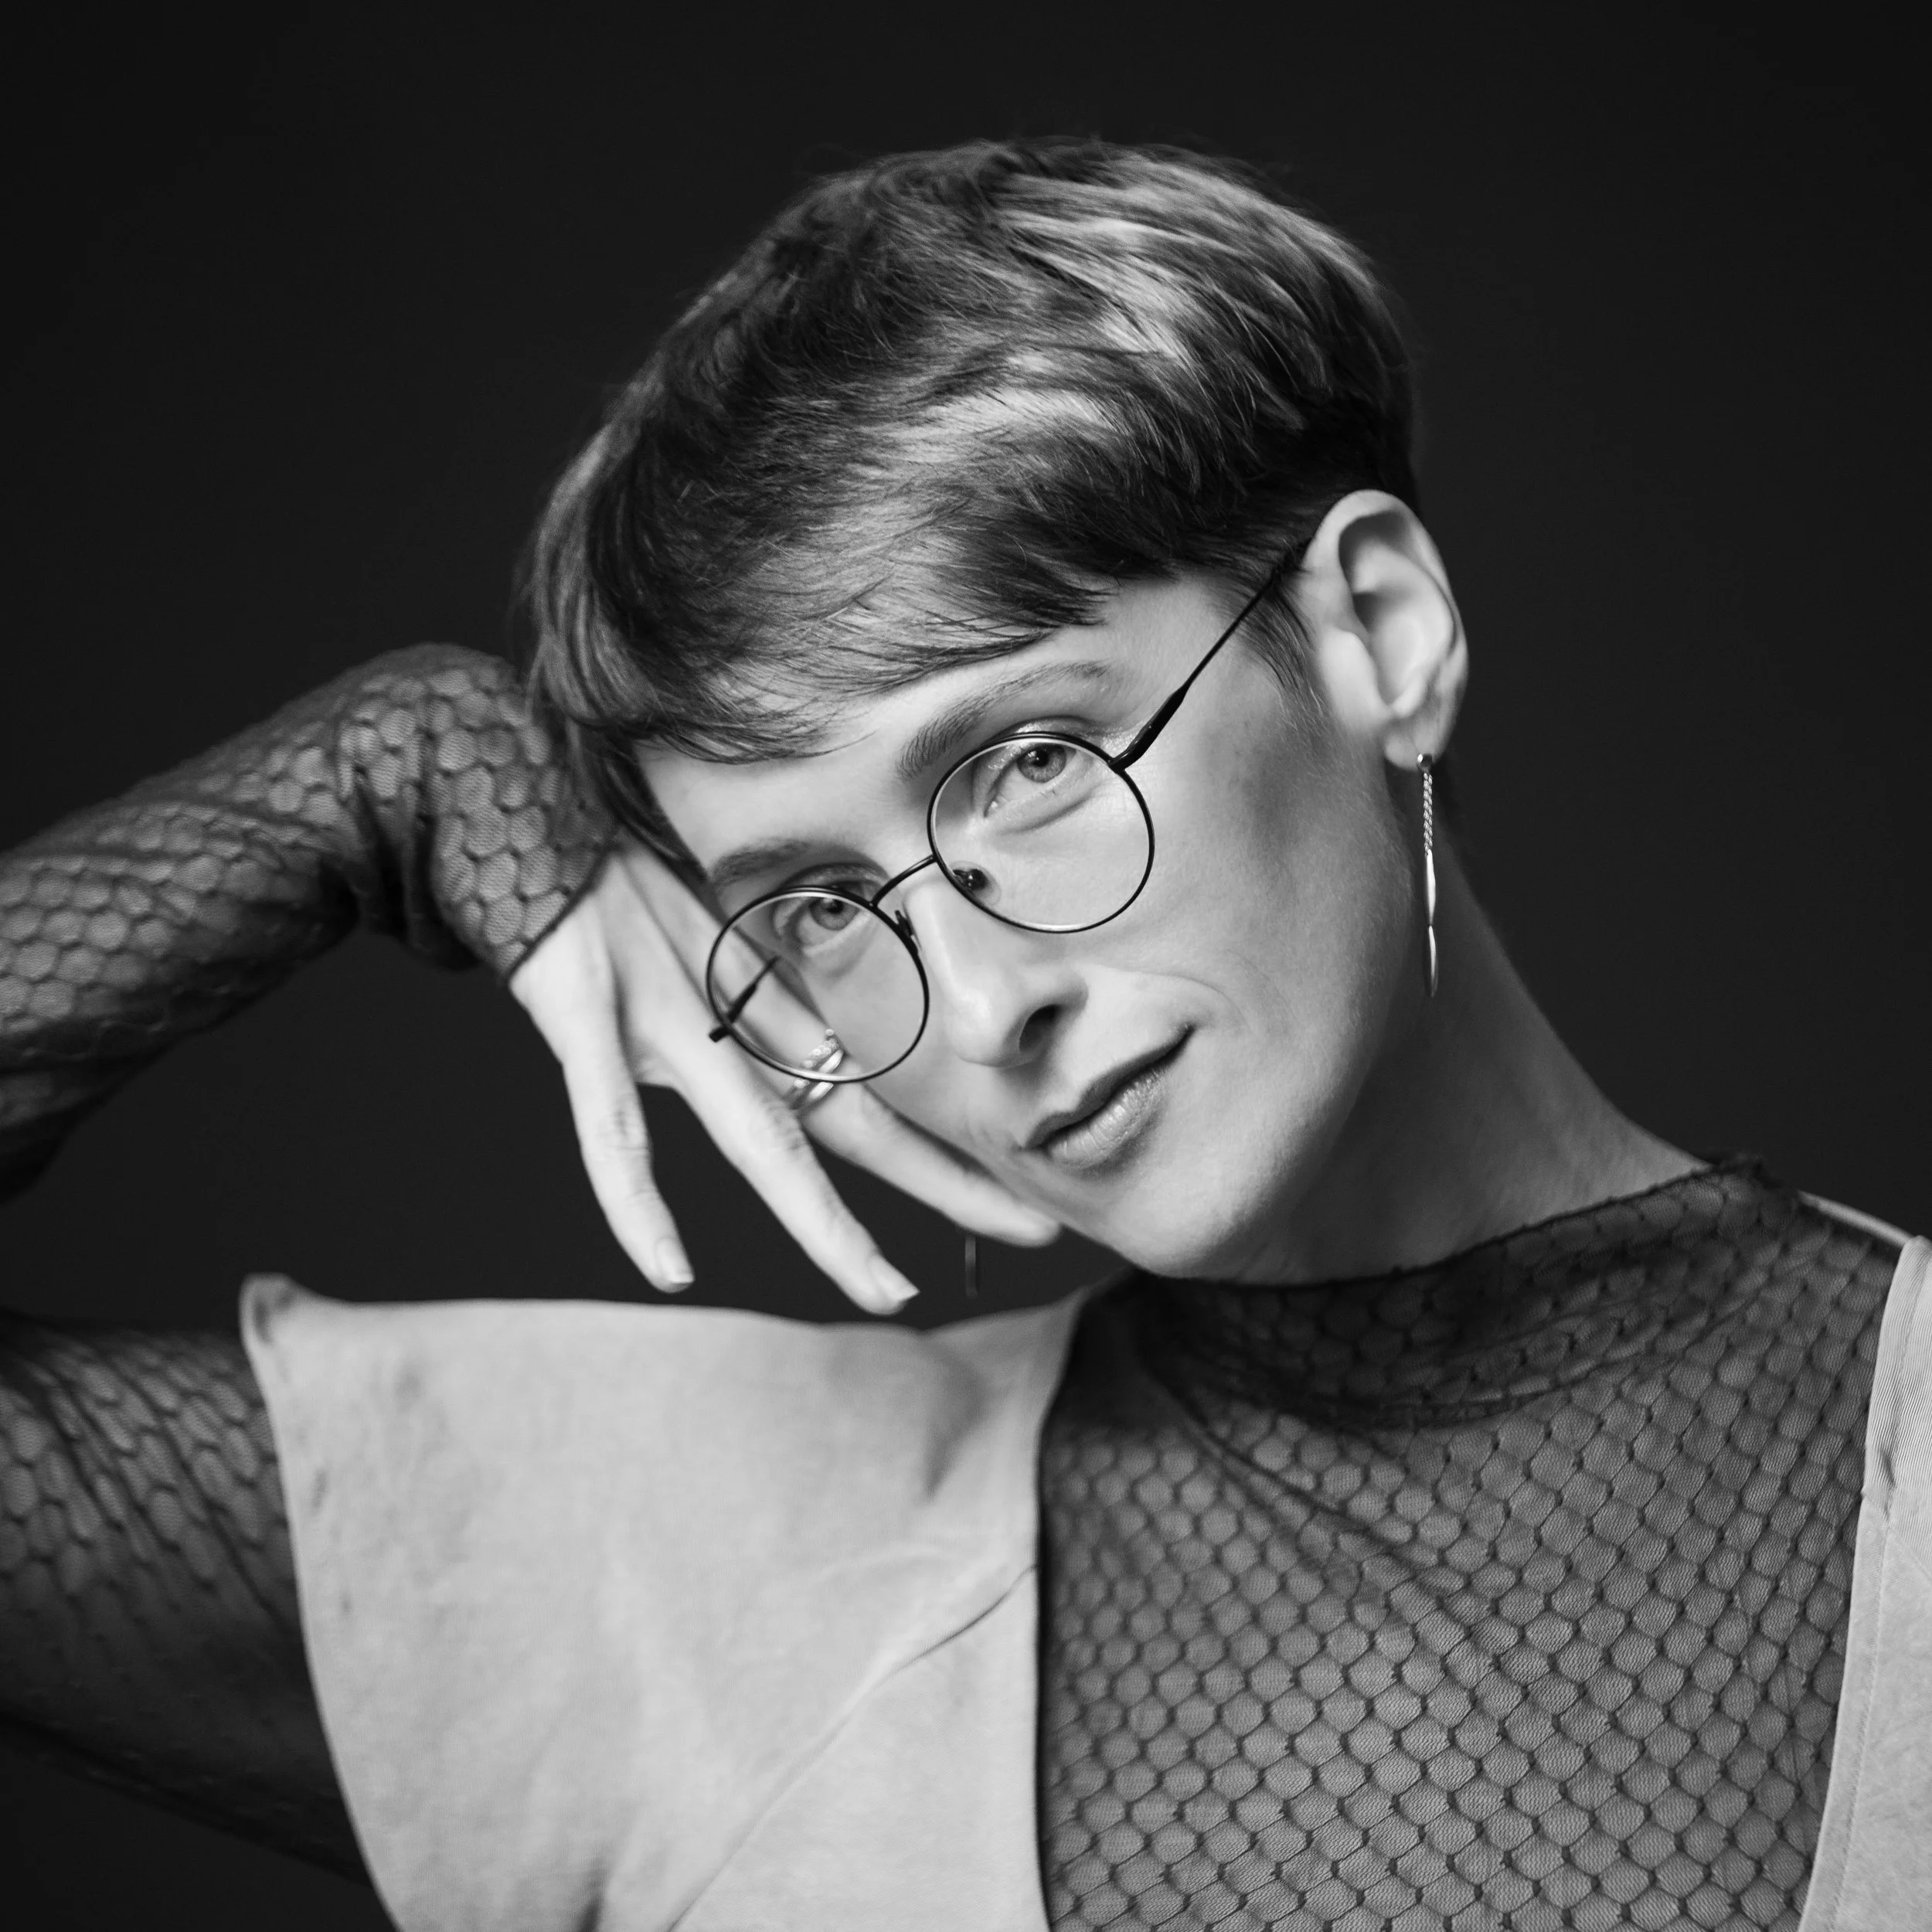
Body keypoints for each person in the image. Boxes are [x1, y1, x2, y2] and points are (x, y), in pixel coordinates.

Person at [2, 138, 1926, 1932]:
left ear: (1374, 629)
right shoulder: (703, 1579)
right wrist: (365, 788)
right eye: (821, 909)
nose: (990, 1003)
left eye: (1028, 764)